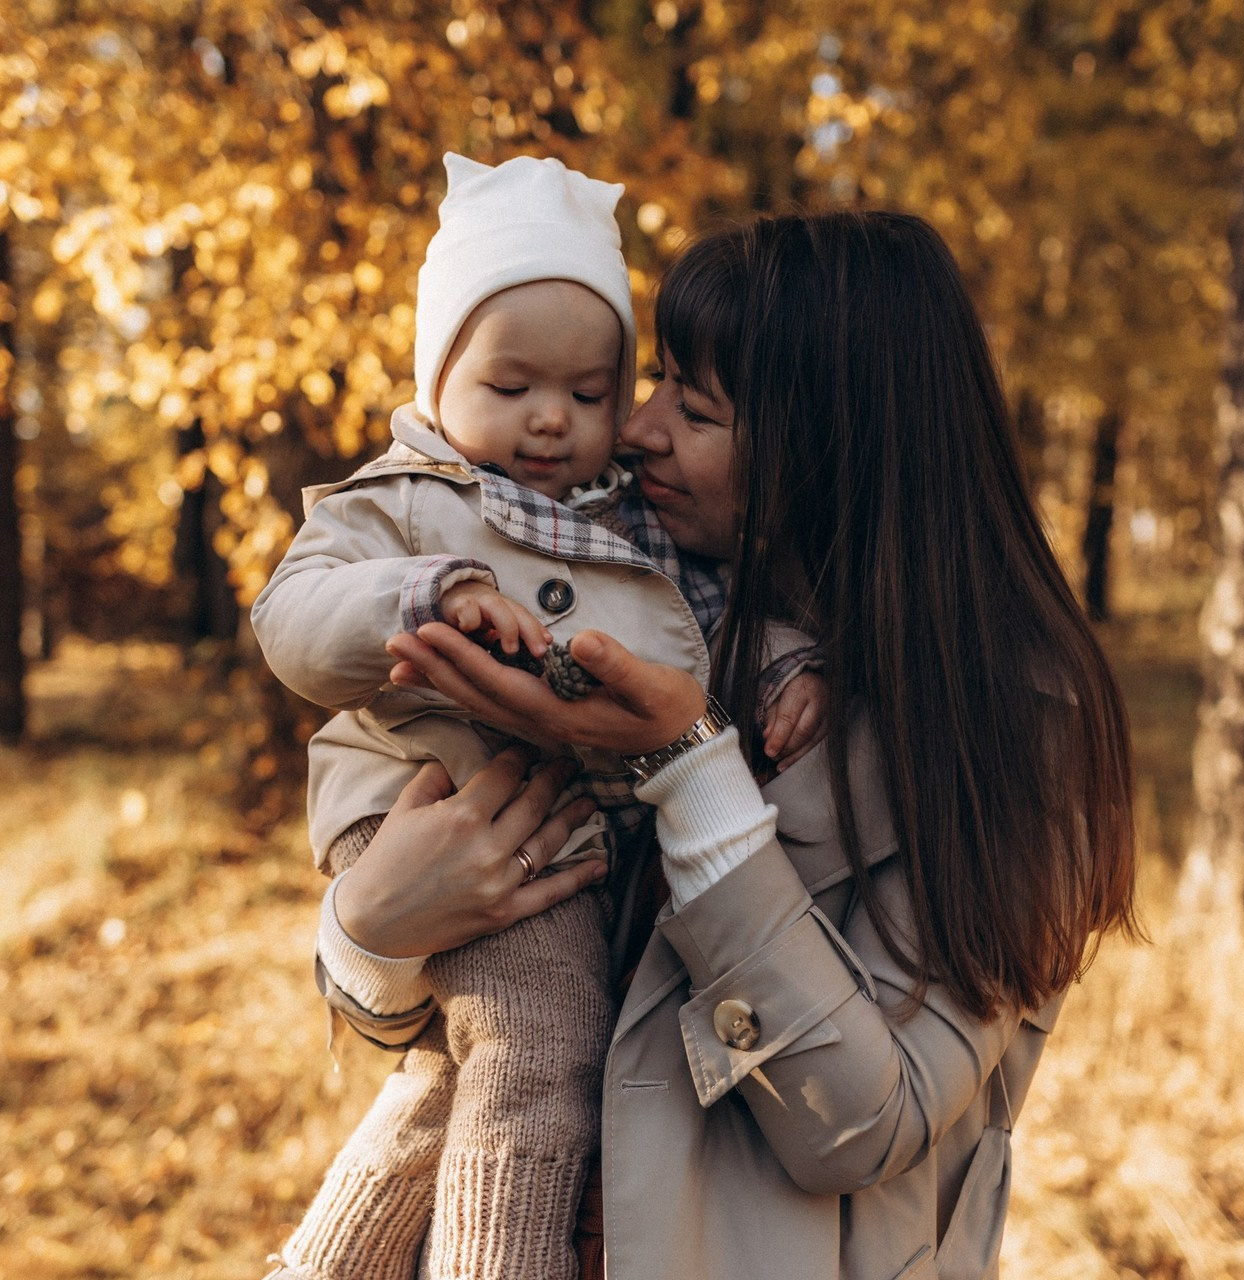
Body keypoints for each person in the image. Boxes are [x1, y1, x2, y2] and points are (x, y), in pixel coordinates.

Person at [310, 208, 1140, 1280]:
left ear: (831, 447)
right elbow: (492, 1015)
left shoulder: (1018, 727)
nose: (639, 427)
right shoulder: (669, 617)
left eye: (694, 408)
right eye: (651, 382)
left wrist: (690, 769)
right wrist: (368, 932)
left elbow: (861, 1122)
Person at [252, 154, 823, 1280]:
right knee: (538, 1044)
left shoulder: (637, 517)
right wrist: (419, 596)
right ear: (438, 375)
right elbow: (292, 621)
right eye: (511, 388)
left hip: (565, 844)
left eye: (590, 391)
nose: (553, 421)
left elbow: (708, 621)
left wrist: (788, 668)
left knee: (467, 1071)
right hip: (433, 810)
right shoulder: (404, 503)